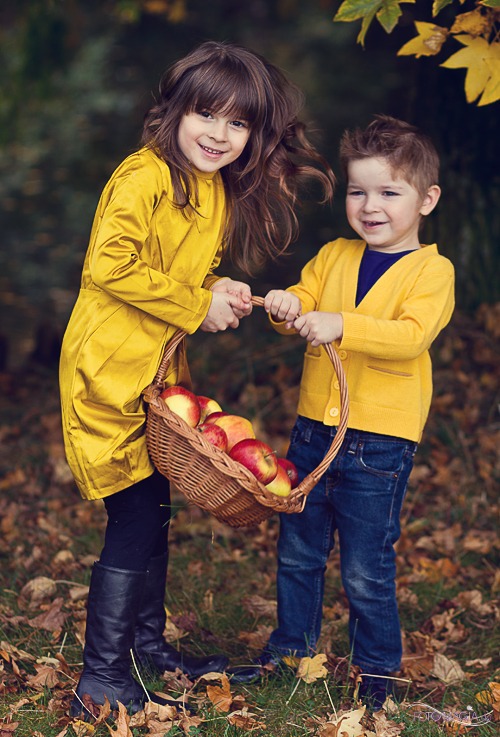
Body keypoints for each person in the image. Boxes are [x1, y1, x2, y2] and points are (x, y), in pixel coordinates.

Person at [59, 40, 335, 717]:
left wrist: (219, 288)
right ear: (174, 111)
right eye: (206, 115)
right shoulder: (144, 175)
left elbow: (175, 272)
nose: (220, 134)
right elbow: (110, 265)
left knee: (154, 508)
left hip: (153, 372)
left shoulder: (209, 187)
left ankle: (143, 646)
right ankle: (100, 677)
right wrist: (194, 304)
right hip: (109, 367)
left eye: (238, 124)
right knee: (131, 514)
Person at [230, 115, 455, 709]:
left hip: (378, 446)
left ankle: (377, 671)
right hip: (313, 433)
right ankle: (290, 652)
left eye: (389, 192)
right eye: (358, 191)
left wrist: (341, 324)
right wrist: (287, 304)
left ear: (426, 199)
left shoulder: (433, 272)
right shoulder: (334, 255)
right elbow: (306, 301)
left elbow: (409, 336)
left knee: (365, 565)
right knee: (299, 552)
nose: (369, 205)